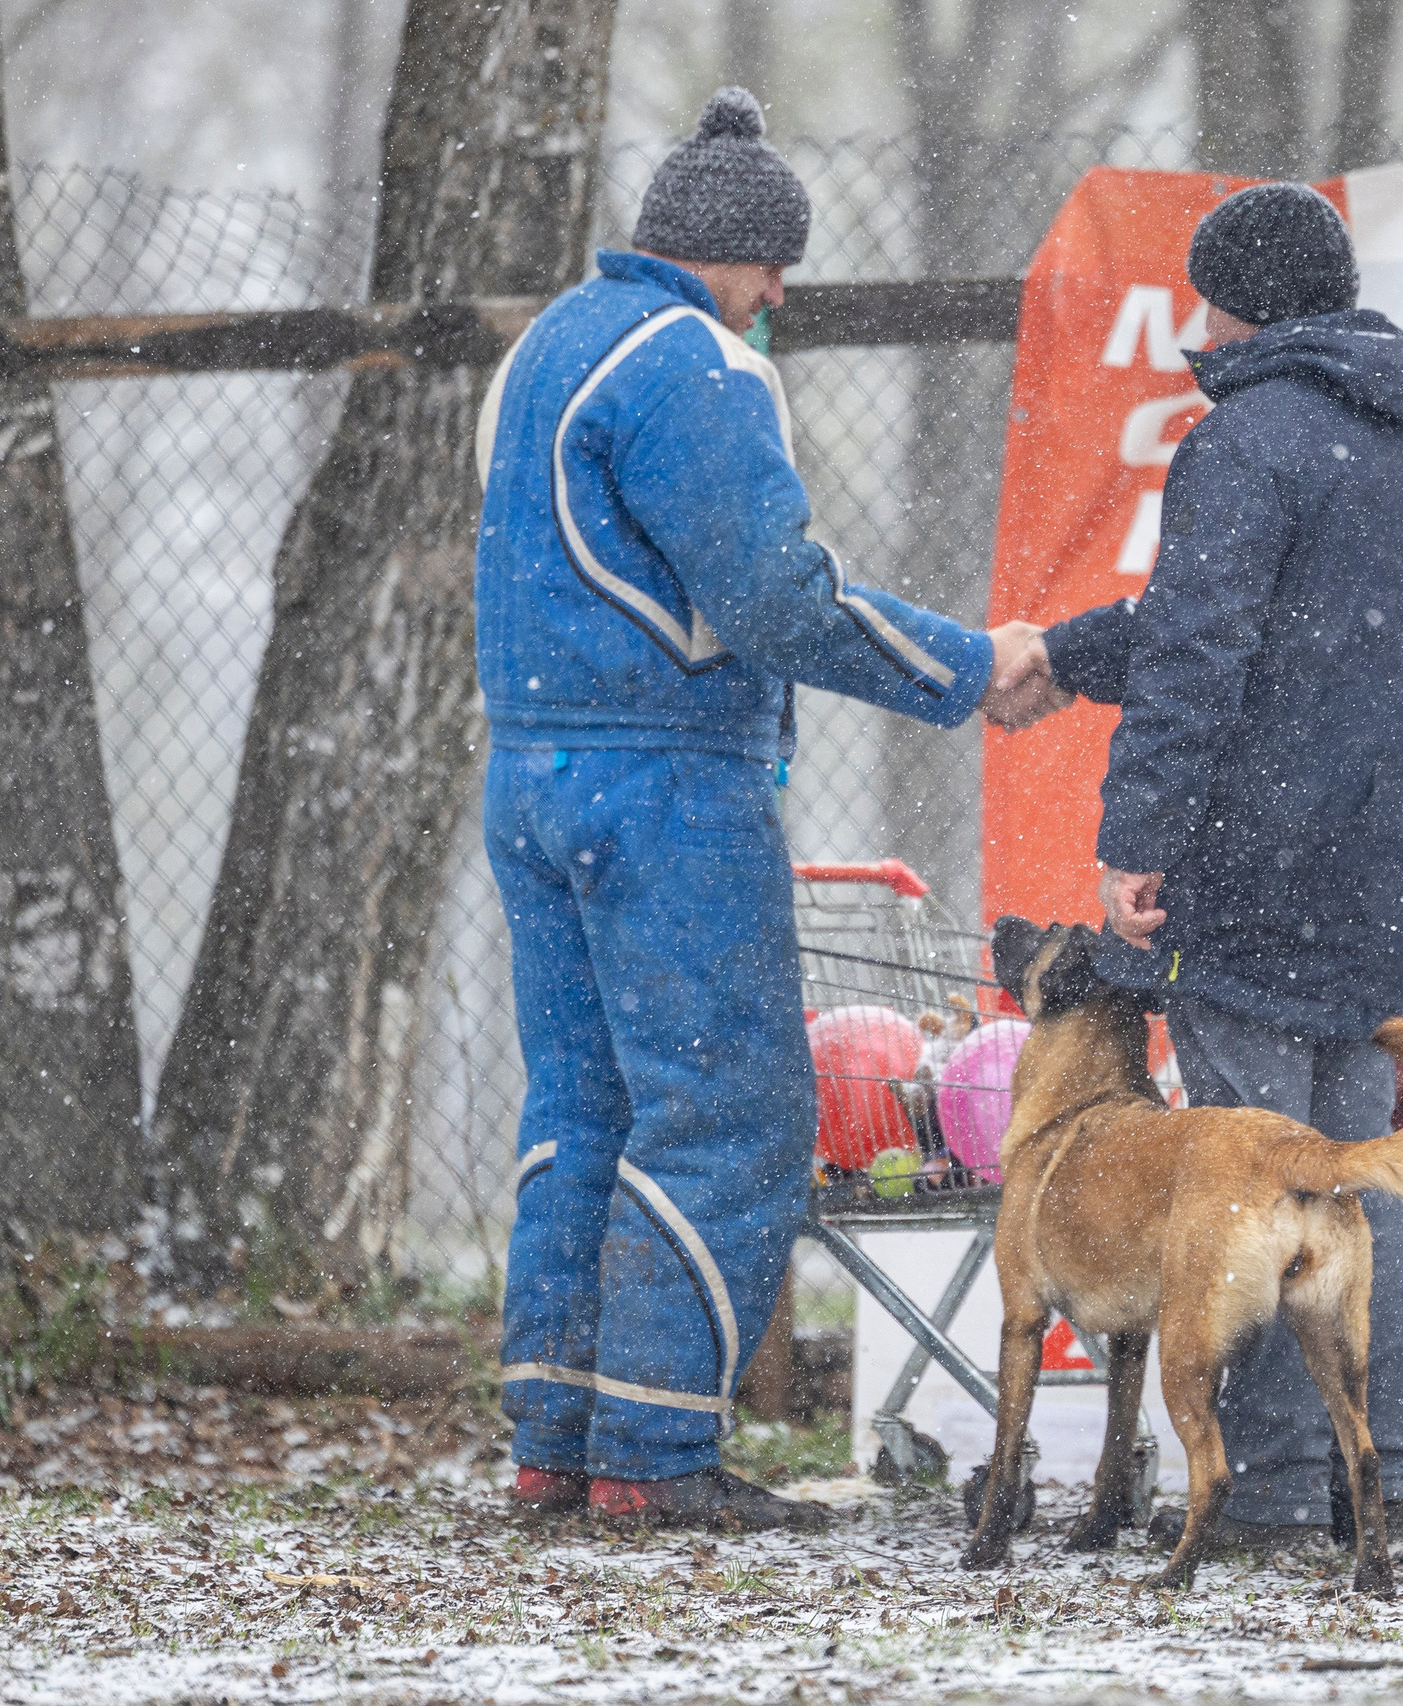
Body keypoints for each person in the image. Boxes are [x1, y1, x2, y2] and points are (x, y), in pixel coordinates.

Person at [474, 86, 1058, 1532]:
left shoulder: (546, 347)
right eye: (772, 265)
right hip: (666, 782)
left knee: (584, 1102)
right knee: (728, 1107)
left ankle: (557, 1435)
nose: (779, 294)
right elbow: (776, 598)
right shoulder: (699, 366)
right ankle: (657, 1457)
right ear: (725, 254)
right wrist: (972, 668)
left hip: (530, 769)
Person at [1008, 182, 1403, 1557]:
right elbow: (1280, 626)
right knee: (1347, 1178)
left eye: (1210, 296)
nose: (1198, 321)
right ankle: (1373, 1479)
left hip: (1255, 868)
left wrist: (1136, 843)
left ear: (1243, 302)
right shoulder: (1401, 448)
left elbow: (1204, 650)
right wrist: (1068, 654)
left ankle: (1261, 1492)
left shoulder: (1242, 441)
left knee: (1247, 1193)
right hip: (1368, 867)